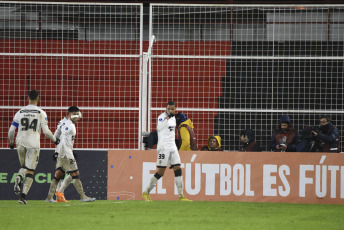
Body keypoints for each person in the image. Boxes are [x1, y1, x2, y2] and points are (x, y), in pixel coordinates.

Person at [8, 90, 59, 204]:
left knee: (24, 167)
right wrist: (55, 140)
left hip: (20, 141)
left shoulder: (20, 112)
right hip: (33, 143)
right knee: (30, 170)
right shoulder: (41, 113)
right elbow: (46, 132)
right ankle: (22, 194)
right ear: (38, 98)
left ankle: (20, 185)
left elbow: (11, 130)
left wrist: (11, 142)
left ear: (27, 98)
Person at [142, 101, 192, 201]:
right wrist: (167, 118)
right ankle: (146, 192)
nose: (170, 111)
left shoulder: (174, 118)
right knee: (160, 172)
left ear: (175, 109)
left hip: (172, 147)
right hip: (163, 147)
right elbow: (159, 128)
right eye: (169, 109)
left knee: (178, 168)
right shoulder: (161, 117)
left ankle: (181, 196)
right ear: (166, 109)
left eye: (172, 109)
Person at [45, 106, 96, 202]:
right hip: (66, 154)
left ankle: (49, 198)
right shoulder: (70, 125)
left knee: (58, 175)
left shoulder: (62, 122)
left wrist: (57, 151)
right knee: (75, 174)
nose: (78, 118)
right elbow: (63, 139)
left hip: (62, 152)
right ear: (72, 114)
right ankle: (83, 197)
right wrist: (65, 151)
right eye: (77, 115)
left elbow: (55, 137)